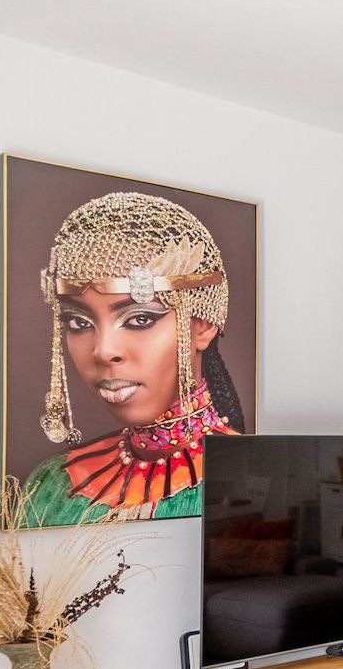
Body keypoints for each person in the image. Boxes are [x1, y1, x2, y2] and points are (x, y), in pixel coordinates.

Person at [17, 191, 245, 525]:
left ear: (204, 325)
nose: (103, 350)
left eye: (140, 319)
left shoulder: (249, 475)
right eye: (79, 323)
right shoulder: (51, 486)